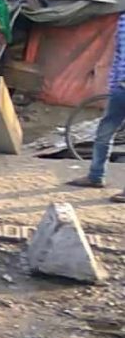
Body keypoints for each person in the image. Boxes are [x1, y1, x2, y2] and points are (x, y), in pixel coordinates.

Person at [69, 15, 125, 202]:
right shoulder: (123, 20)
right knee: (103, 133)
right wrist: (114, 84)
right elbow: (118, 55)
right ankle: (96, 176)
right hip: (120, 89)